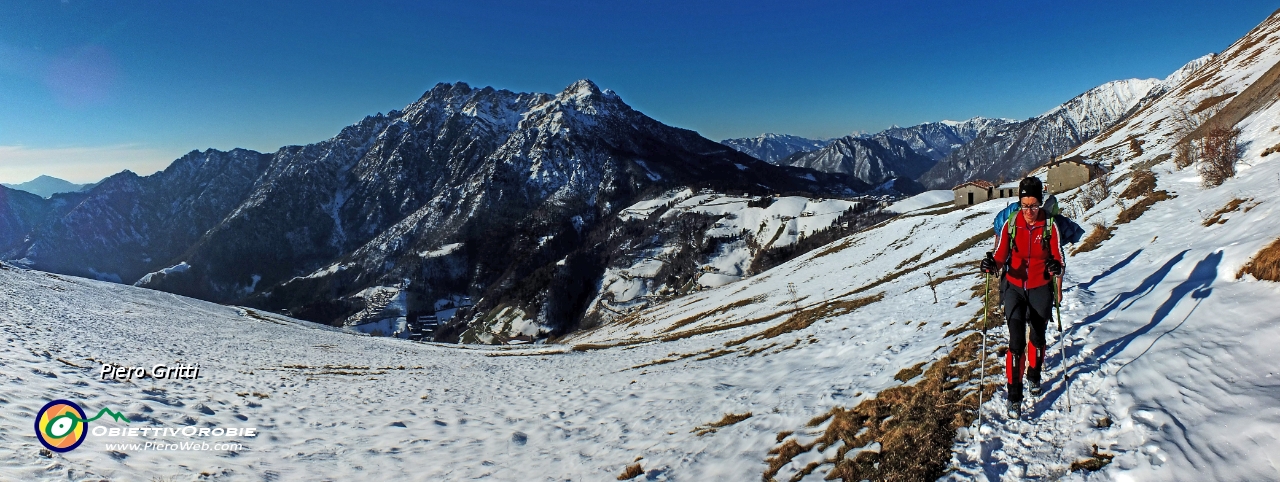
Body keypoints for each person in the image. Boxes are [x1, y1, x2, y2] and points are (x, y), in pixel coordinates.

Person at [980, 176, 1064, 417]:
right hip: (1014, 288)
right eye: (1025, 206)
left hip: (1040, 287)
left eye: (1034, 205)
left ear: (1040, 203)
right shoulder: (1011, 224)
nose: (1029, 211)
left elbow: (1058, 257)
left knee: (1037, 337)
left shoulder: (1049, 226)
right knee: (1015, 342)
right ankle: (1014, 395)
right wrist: (990, 265)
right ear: (1019, 204)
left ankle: (1034, 375)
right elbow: (1000, 255)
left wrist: (1056, 269)